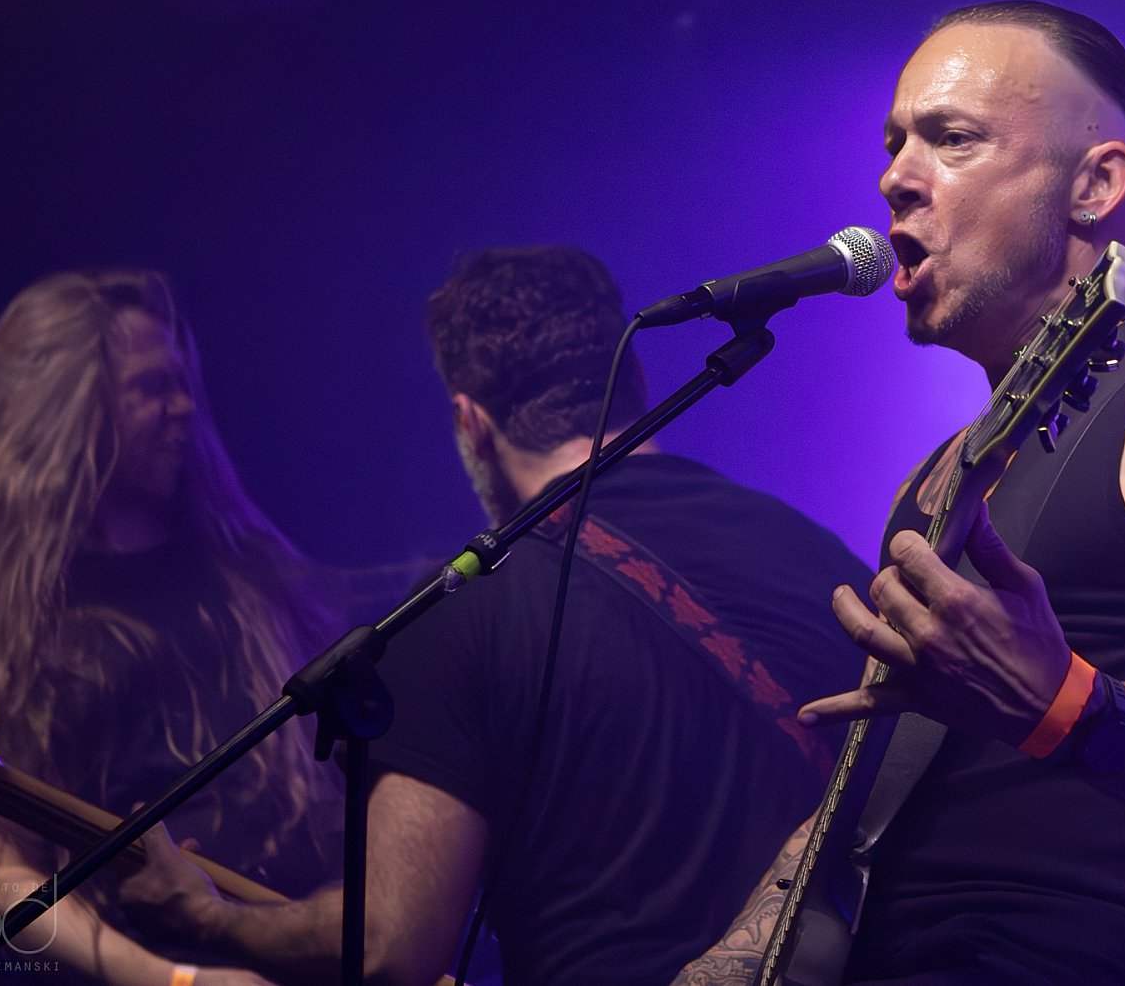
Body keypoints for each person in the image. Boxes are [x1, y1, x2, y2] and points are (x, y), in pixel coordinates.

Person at [679, 0, 1125, 986]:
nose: (894, 177)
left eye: (951, 138)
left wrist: (1064, 702)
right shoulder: (940, 477)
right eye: (894, 143)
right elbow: (846, 828)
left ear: (1096, 182)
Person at [118, 245, 870, 986]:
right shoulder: (823, 557)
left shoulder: (455, 618)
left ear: (470, 421)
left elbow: (389, 945)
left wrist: (209, 917)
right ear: (634, 380)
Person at [0, 269, 341, 985]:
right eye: (151, 387)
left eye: (181, 382)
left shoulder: (236, 557)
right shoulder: (2, 605)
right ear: (72, 407)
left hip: (311, 948)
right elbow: (0, 868)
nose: (185, 407)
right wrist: (172, 980)